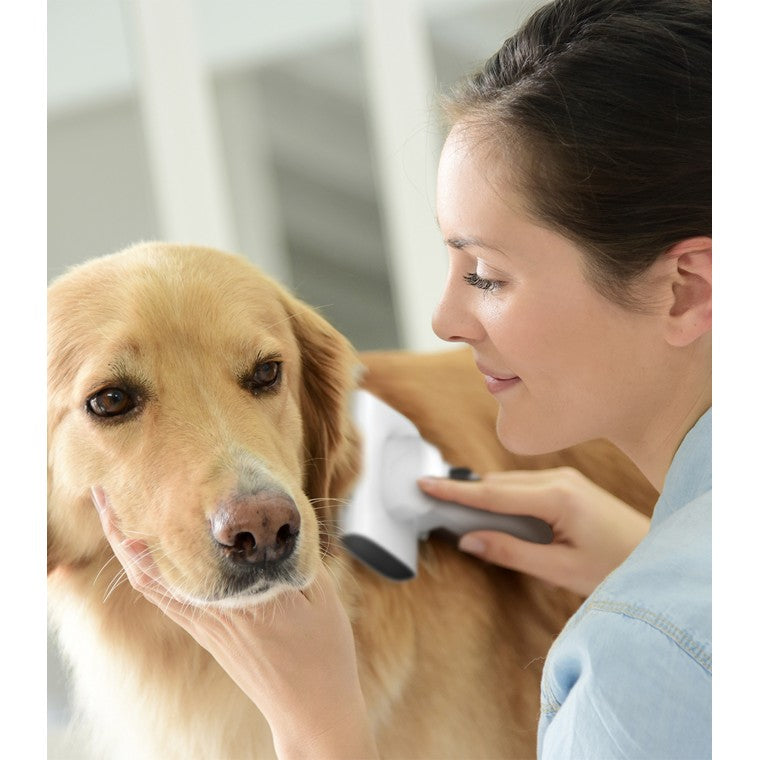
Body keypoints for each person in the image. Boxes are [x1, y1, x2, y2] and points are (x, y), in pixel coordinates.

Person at [92, 0, 711, 757]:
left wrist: (318, 725)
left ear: (686, 289)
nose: (442, 321)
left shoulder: (641, 662)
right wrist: (641, 554)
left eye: (486, 275)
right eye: (113, 401)